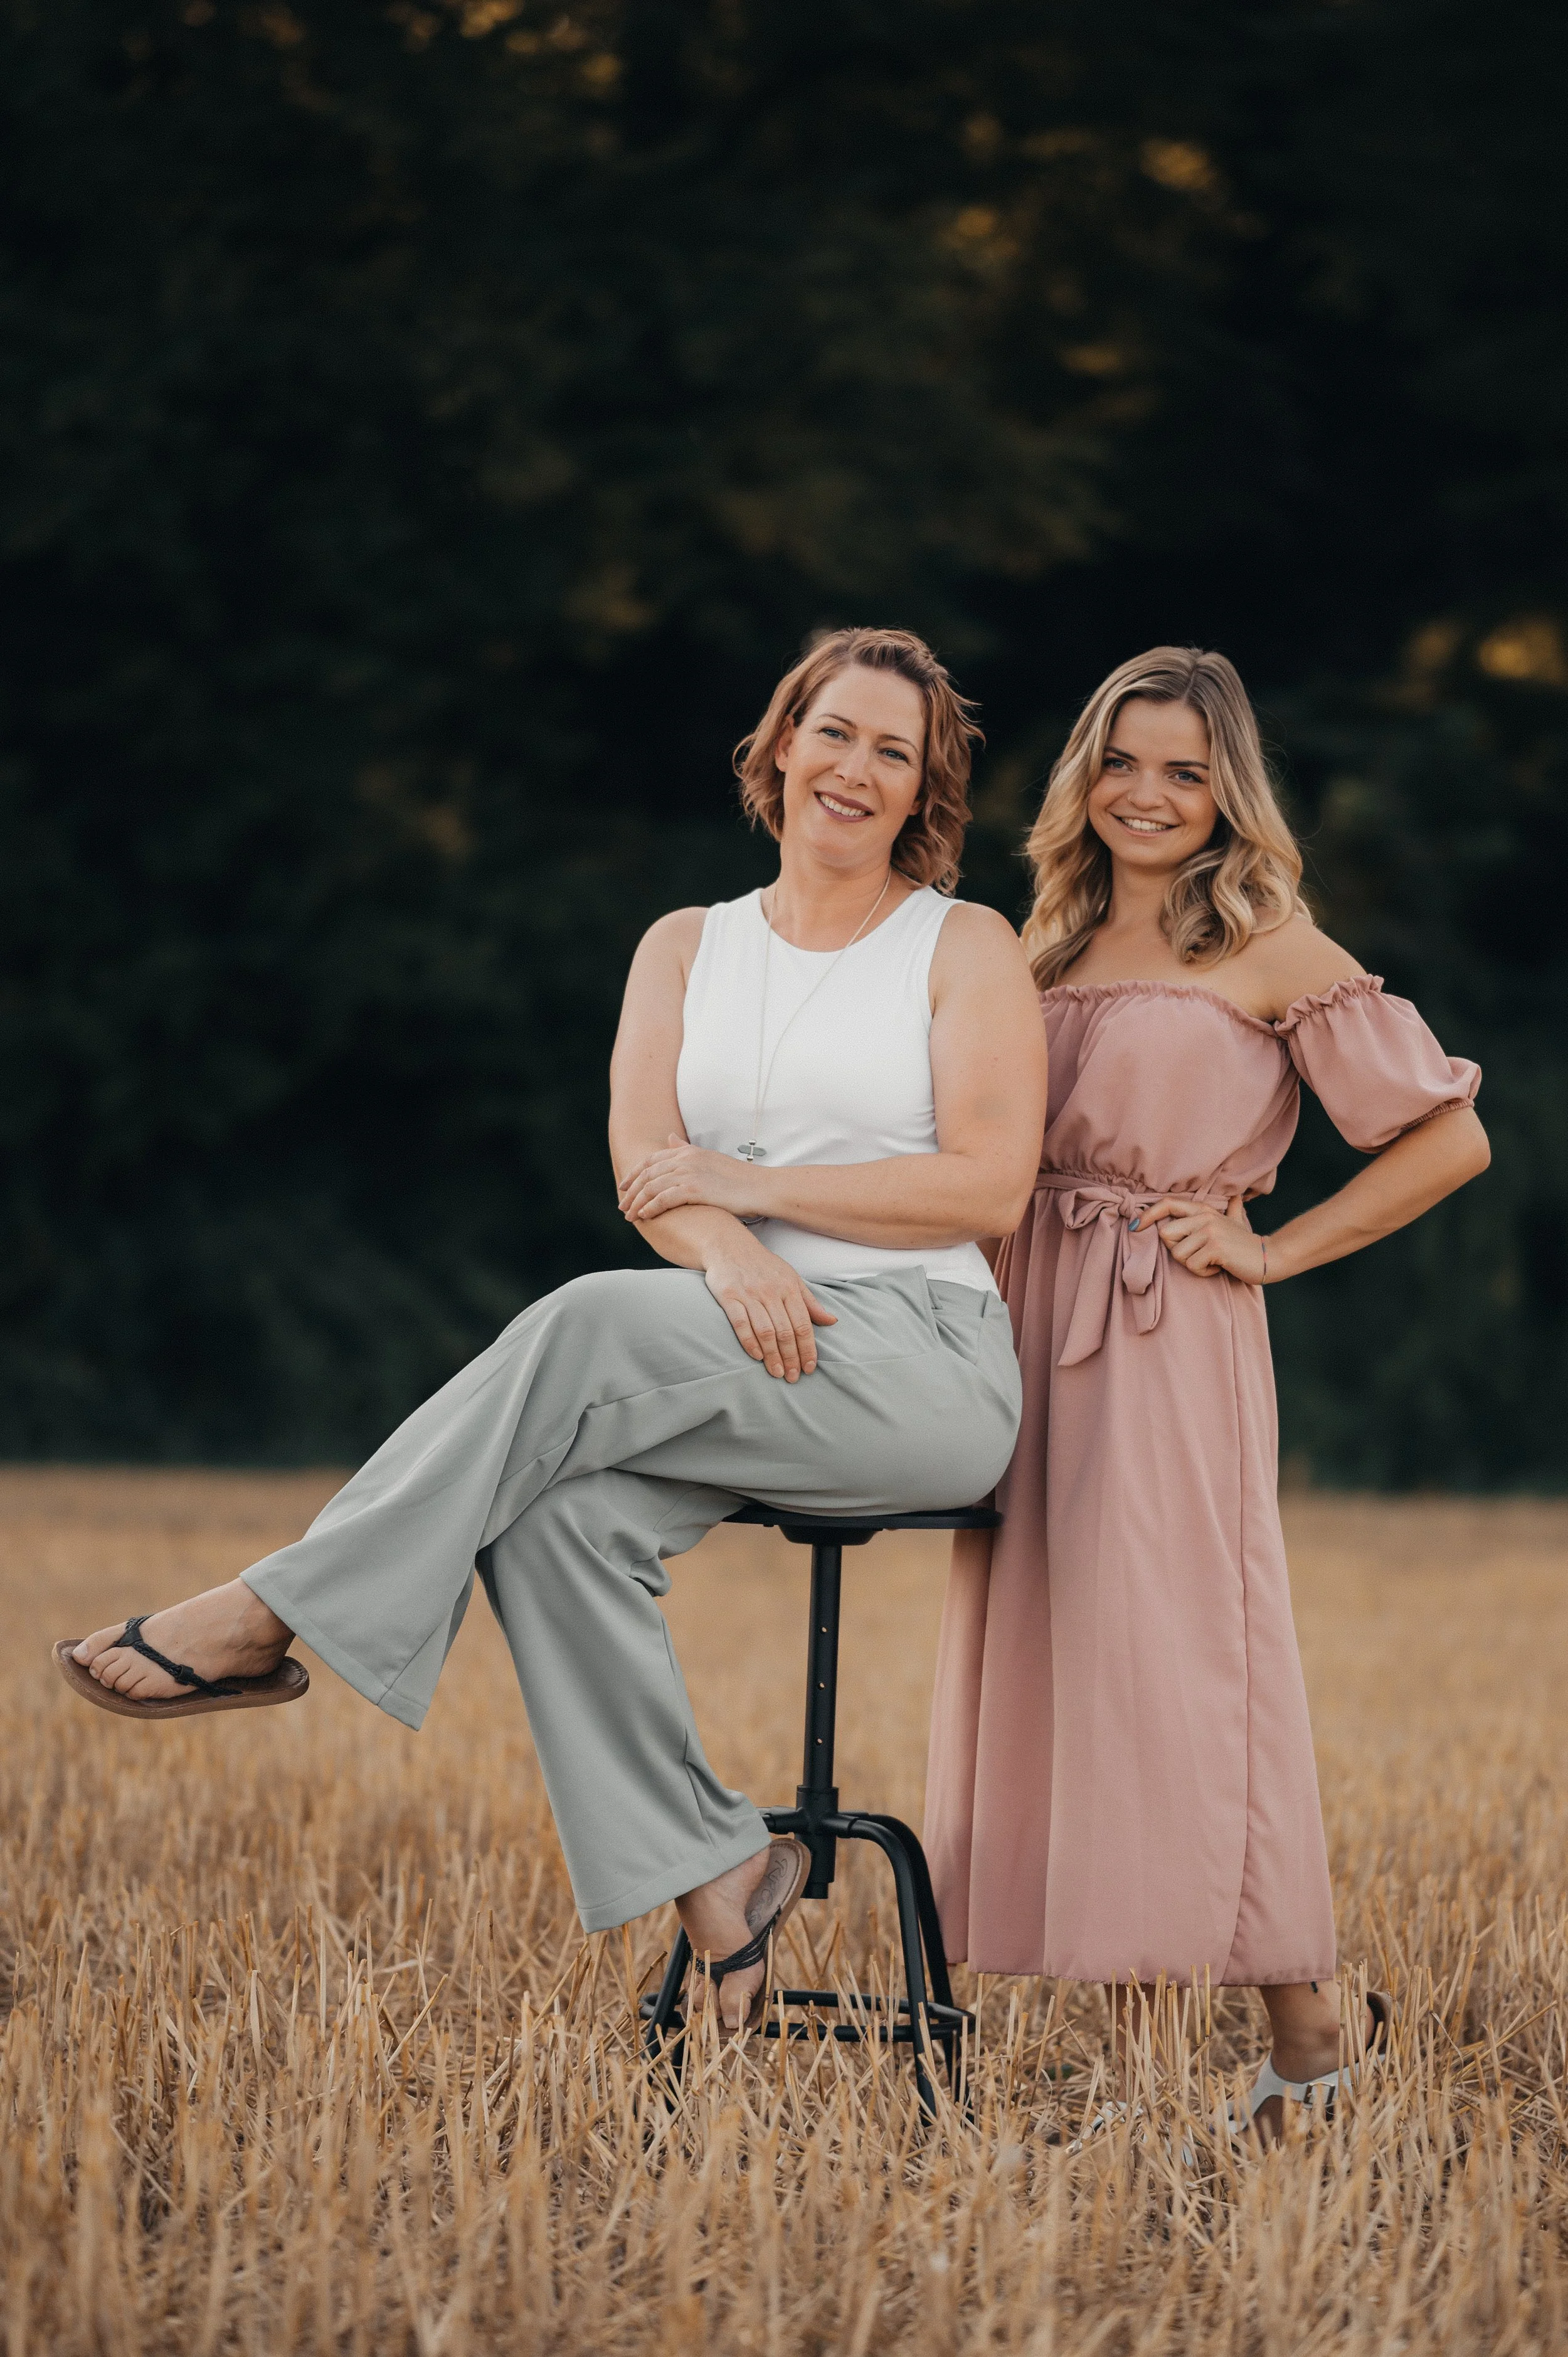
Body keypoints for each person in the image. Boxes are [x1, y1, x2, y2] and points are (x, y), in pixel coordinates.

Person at [57, 626, 1048, 2033]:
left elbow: (987, 1186)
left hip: (920, 1362)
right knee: (550, 1521)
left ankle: (270, 1608)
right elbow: (646, 1167)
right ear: (779, 744)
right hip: (738, 1333)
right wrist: (725, 1250)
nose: (856, 768)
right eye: (834, 732)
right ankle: (721, 1879)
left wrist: (748, 1193)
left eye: (896, 753)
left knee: (584, 1321)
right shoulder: (685, 945)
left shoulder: (960, 945)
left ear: (923, 793)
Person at [923, 645, 1489, 2134]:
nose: (1148, 795)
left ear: (1226, 791)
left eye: (1184, 770)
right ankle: (1307, 2037)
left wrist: (1270, 1248)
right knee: (1065, 1677)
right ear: (1081, 777)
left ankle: (1180, 2075)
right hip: (1011, 1324)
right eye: (1122, 762)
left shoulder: (1269, 944)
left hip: (1164, 1329)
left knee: (1165, 1679)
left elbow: (1443, 1141)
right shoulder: (1034, 943)